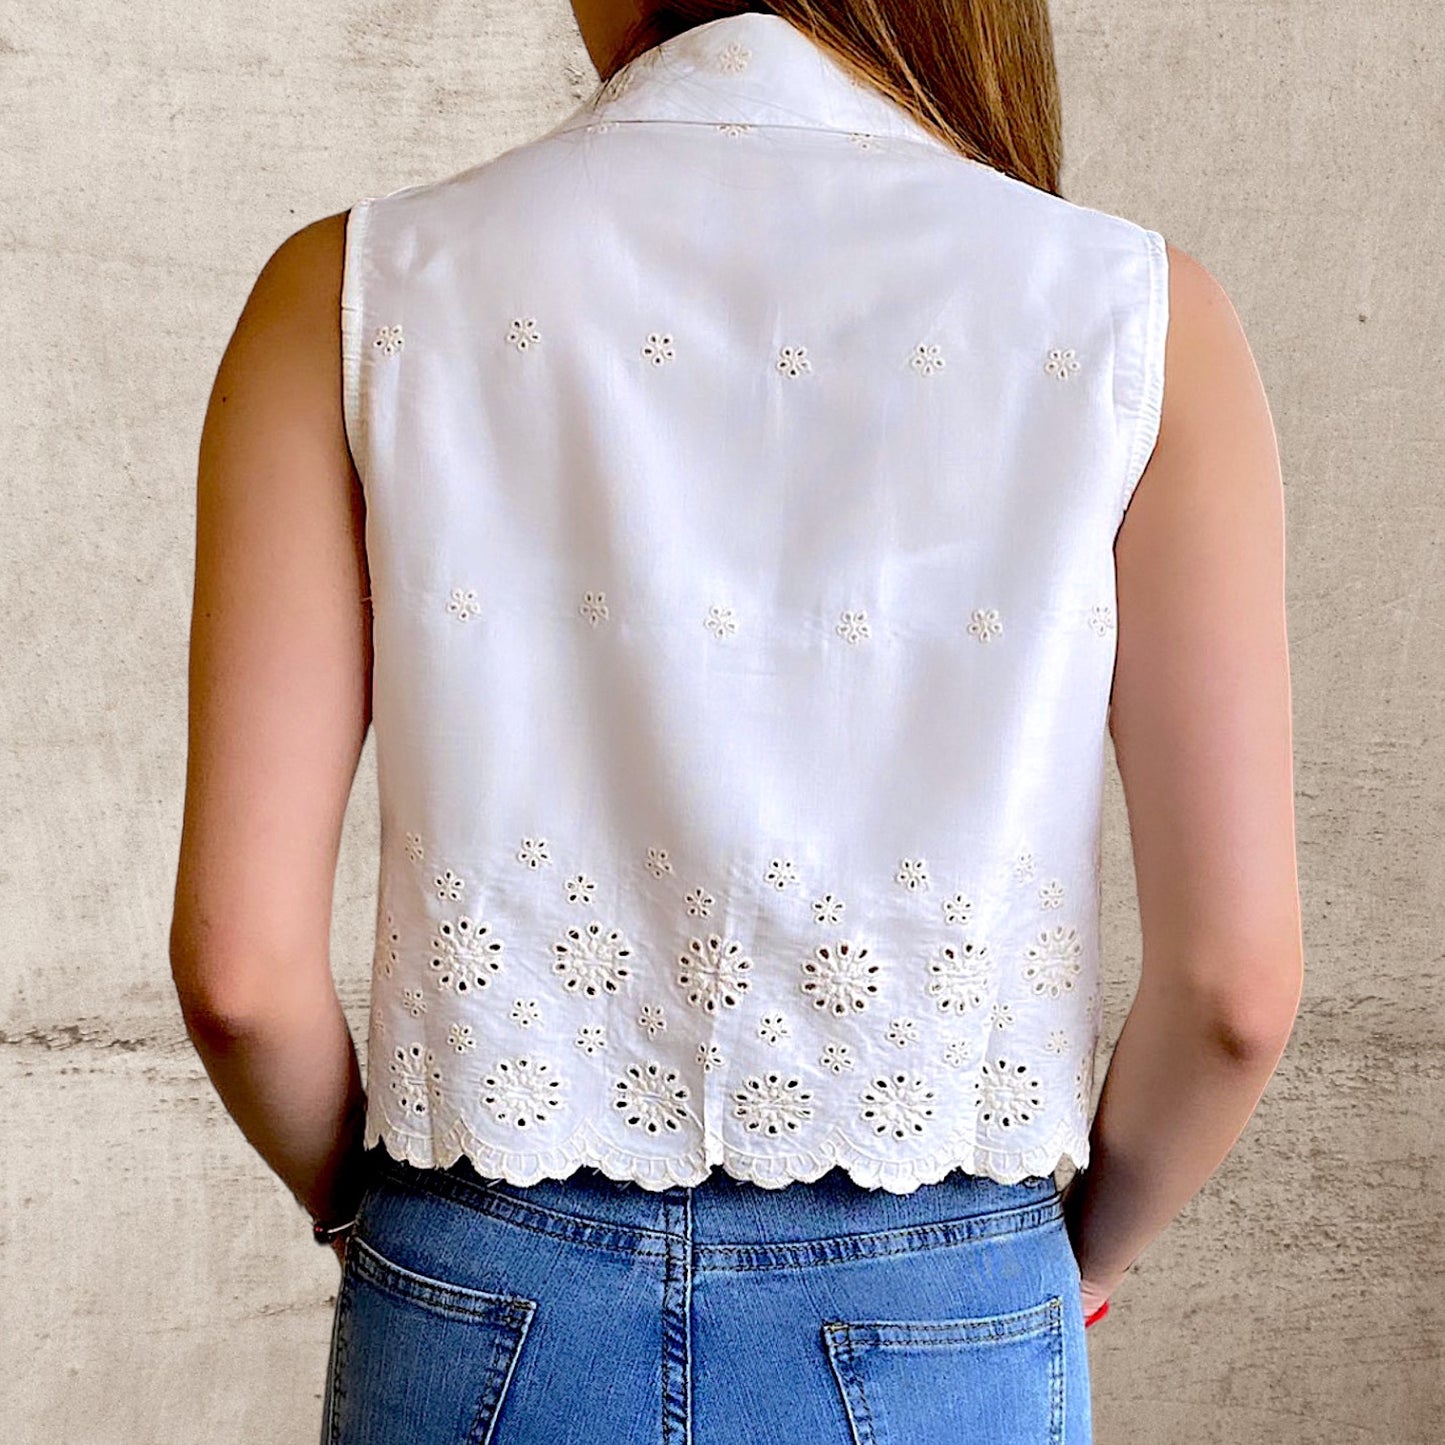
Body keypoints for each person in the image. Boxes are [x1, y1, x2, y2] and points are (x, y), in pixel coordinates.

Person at [169, 3, 1304, 1441]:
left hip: (482, 1274)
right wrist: (1081, 1259)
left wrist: (378, 1219)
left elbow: (240, 975)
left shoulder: (352, 289)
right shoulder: (1138, 315)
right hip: (941, 1287)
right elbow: (1233, 992)